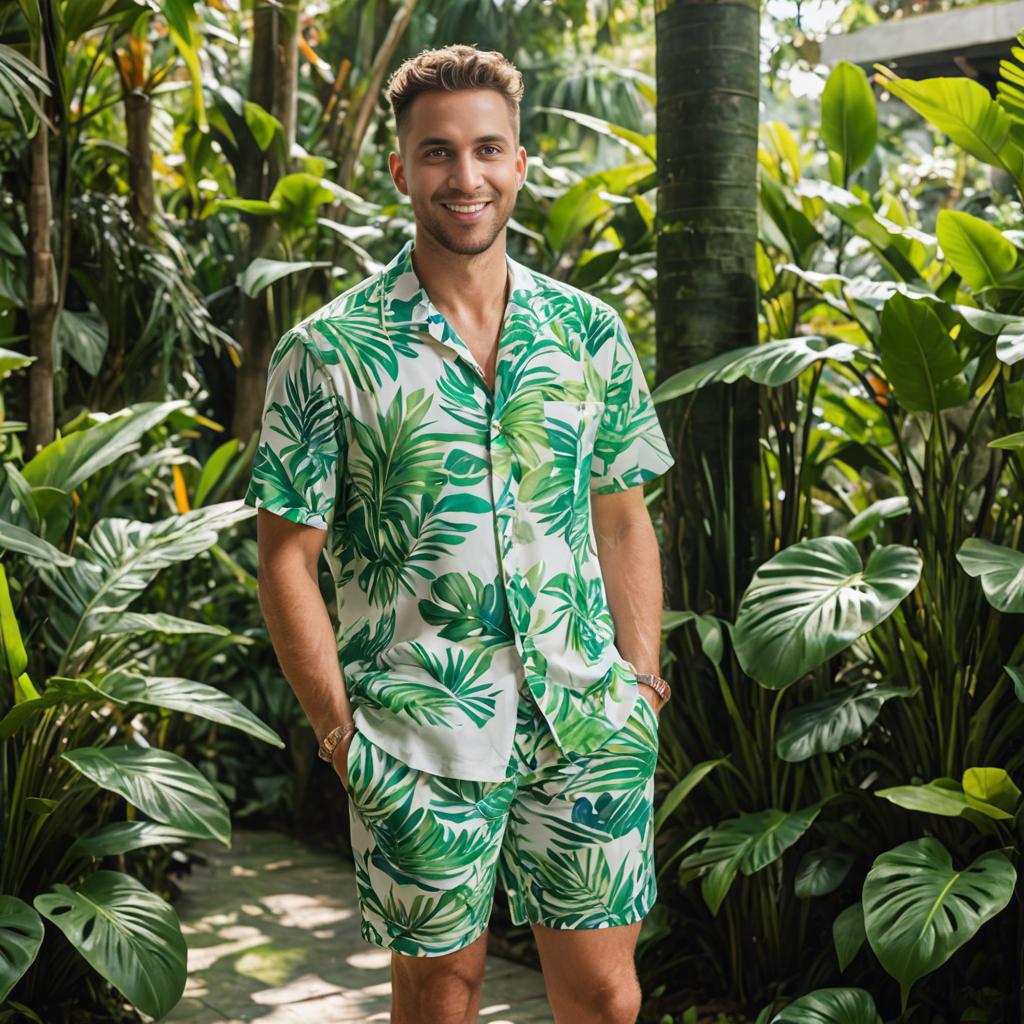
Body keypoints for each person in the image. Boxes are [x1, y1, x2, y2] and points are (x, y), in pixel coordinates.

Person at [243, 42, 676, 1024]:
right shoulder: (328, 350)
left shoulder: (588, 333)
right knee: (441, 995)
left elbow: (621, 513)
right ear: (400, 170)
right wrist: (338, 731)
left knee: (607, 996)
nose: (464, 176)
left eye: (487, 149)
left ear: (520, 162)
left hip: (588, 720)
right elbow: (286, 556)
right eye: (436, 153)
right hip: (414, 734)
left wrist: (641, 678)